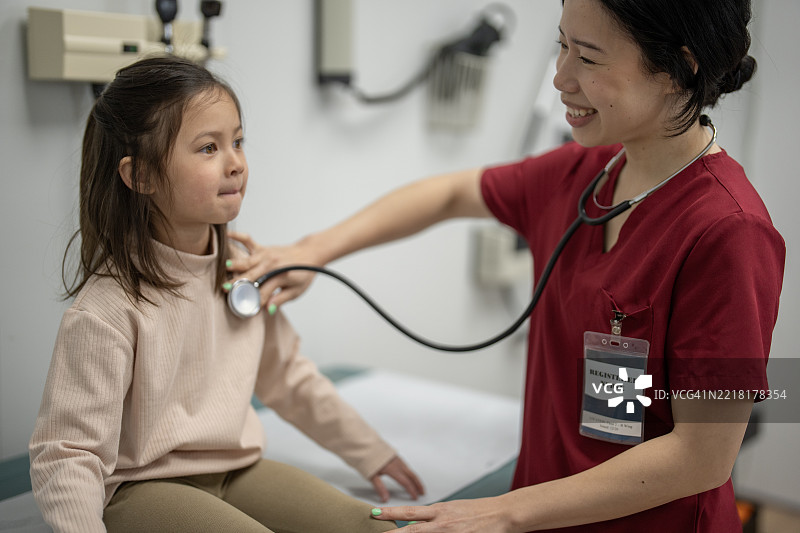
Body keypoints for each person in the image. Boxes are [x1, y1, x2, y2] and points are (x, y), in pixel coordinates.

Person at [225, 0, 785, 531]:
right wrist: (311, 252)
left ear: (676, 68)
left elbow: (701, 458)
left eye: (588, 57)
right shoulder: (585, 174)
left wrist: (506, 512)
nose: (560, 76)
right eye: (561, 45)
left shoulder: (729, 233)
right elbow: (447, 195)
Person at [28, 55, 424, 533]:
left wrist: (370, 451)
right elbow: (68, 452)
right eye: (208, 148)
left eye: (237, 141)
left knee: (376, 527)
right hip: (145, 487)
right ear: (141, 177)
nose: (235, 163)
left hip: (237, 470)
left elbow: (288, 378)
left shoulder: (243, 270)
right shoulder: (107, 310)